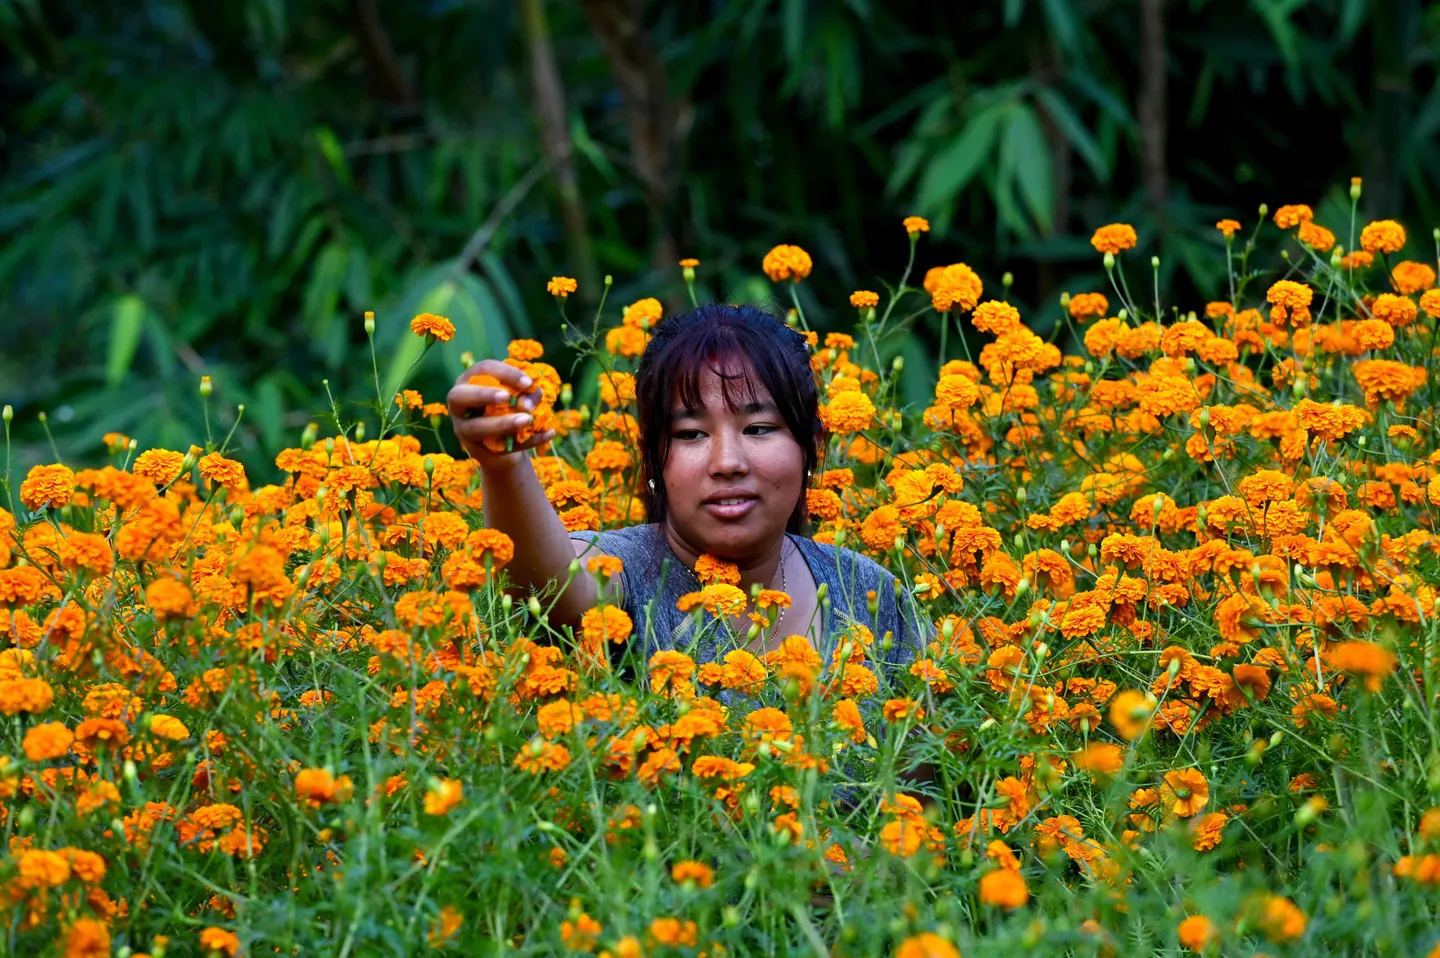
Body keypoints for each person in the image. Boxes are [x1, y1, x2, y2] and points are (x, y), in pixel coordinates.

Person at [446, 303, 927, 674]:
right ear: (653, 457)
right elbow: (550, 586)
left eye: (759, 428)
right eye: (691, 434)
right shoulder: (626, 573)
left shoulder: (870, 594)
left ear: (810, 446)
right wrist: (503, 464)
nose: (727, 462)